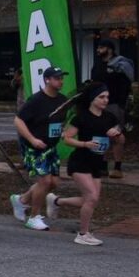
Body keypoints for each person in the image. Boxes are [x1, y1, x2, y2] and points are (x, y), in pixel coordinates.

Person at [48, 83, 124, 246]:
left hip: (97, 163)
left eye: (107, 97)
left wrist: (117, 135)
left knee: (91, 200)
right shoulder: (81, 117)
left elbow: (121, 141)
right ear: (92, 99)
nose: (105, 100)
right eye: (101, 97)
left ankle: (56, 201)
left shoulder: (109, 118)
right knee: (91, 197)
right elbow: (66, 138)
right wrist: (85, 144)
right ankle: (83, 234)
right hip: (79, 162)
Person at [9, 67, 71, 231]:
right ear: (47, 80)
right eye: (57, 78)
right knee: (44, 181)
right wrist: (32, 139)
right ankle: (34, 217)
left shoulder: (63, 100)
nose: (61, 81)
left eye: (61, 78)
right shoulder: (36, 100)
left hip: (50, 147)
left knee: (53, 183)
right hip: (34, 147)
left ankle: (21, 200)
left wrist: (63, 131)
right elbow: (18, 121)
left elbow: (58, 122)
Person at [90, 38, 134, 178]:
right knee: (99, 135)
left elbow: (127, 84)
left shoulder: (121, 64)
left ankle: (117, 167)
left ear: (109, 49)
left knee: (116, 135)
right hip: (98, 105)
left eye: (101, 47)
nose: (98, 50)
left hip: (115, 104)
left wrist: (121, 104)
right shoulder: (97, 66)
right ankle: (101, 166)